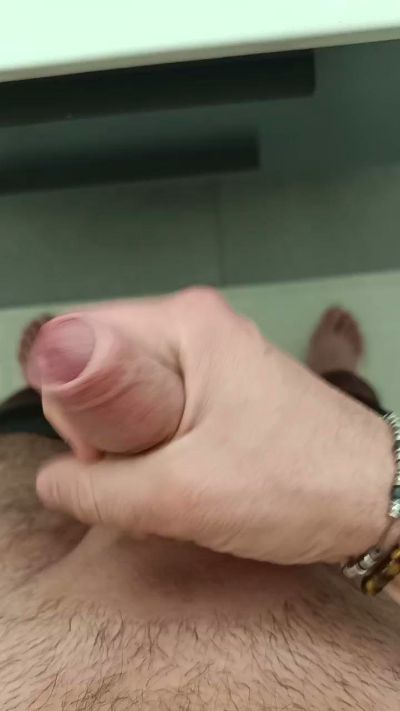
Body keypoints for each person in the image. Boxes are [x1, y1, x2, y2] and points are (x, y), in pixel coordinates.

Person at [0, 293, 399, 709]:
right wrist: (377, 492)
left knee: (24, 446)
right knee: (340, 425)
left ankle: (33, 395)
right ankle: (338, 380)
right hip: (356, 581)